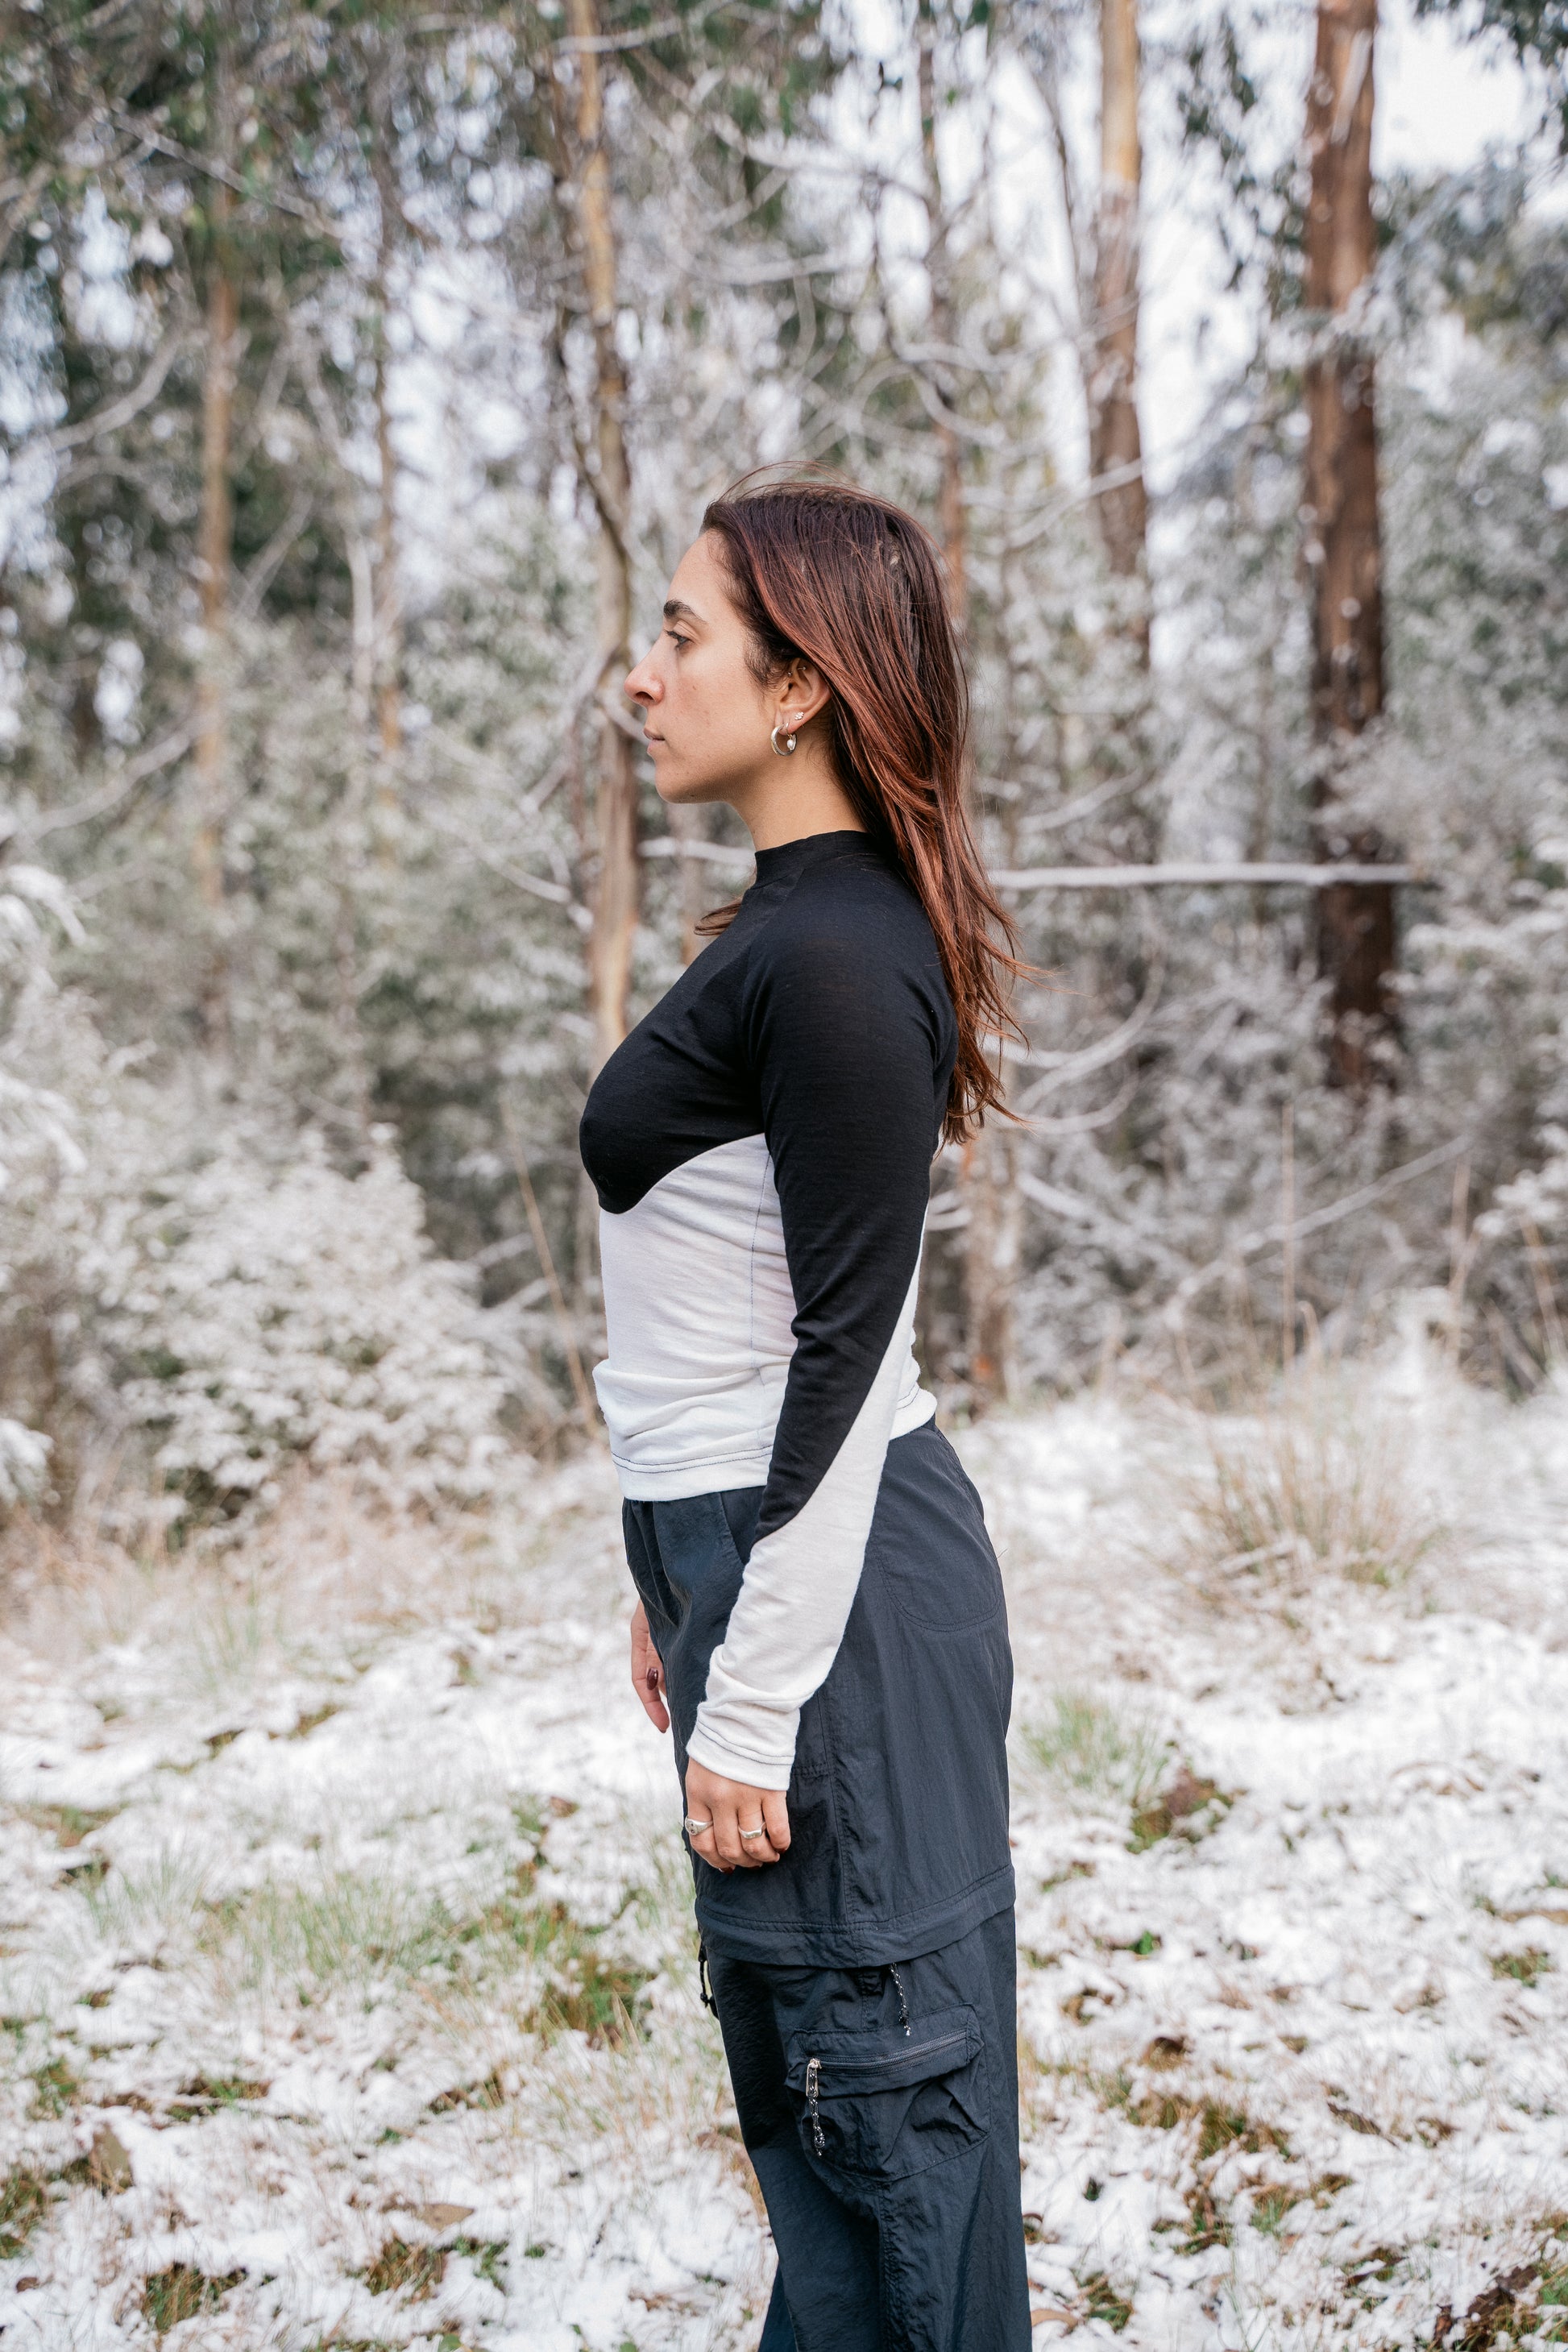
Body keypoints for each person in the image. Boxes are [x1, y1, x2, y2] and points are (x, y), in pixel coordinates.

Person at [578, 476, 1031, 2352]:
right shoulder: (789, 925)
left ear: (800, 691)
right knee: (834, 2164)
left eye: (682, 633)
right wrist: (664, 1573)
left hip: (826, 1605)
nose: (640, 673)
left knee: (887, 2171)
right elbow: (731, 1317)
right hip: (760, 1563)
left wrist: (748, 1683)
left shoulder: (838, 961)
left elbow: (844, 1362)